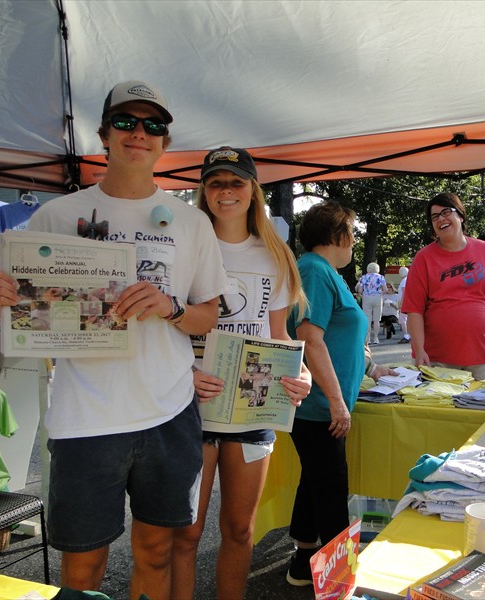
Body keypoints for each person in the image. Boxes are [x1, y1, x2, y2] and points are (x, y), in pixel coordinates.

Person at [0, 80, 228, 599]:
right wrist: (5, 298)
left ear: (164, 142)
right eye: (126, 122)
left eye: (153, 126)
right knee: (83, 571)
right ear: (104, 134)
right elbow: (26, 316)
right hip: (85, 418)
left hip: (168, 411)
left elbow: (207, 315)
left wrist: (171, 307)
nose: (140, 133)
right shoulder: (54, 217)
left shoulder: (192, 222)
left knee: (156, 553)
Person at [171, 147, 312, 600]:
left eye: (236, 182)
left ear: (253, 190)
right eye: (216, 183)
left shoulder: (275, 254)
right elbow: (163, 327)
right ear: (203, 192)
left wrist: (302, 372)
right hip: (189, 409)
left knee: (239, 530)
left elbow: (279, 337)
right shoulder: (185, 246)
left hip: (251, 412)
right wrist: (183, 374)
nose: (226, 191)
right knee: (186, 534)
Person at [285, 201, 394, 587]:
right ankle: (338, 581)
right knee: (332, 489)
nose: (354, 243)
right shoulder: (315, 269)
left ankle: (303, 562)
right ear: (339, 235)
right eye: (352, 234)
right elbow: (310, 339)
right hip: (318, 406)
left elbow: (339, 336)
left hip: (321, 405)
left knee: (315, 480)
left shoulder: (322, 271)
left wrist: (373, 369)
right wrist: (336, 402)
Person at [401, 192, 485, 380]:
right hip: (438, 361)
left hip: (484, 358)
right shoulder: (423, 258)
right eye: (435, 217)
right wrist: (419, 350)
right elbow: (415, 310)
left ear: (460, 215)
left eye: (446, 212)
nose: (441, 219)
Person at [355, 262, 386, 344]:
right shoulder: (381, 277)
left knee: (367, 319)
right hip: (377, 298)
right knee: (377, 320)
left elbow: (360, 290)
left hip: (367, 298)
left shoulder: (364, 277)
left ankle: (367, 338)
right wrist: (380, 293)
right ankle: (376, 338)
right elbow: (385, 290)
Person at [397, 266, 411, 343]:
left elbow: (404, 293)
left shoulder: (403, 281)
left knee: (402, 320)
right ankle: (409, 335)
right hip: (408, 302)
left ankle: (406, 335)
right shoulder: (409, 279)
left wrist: (401, 304)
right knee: (407, 319)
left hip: (404, 302)